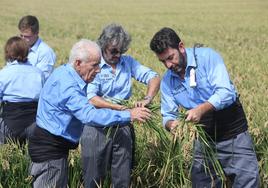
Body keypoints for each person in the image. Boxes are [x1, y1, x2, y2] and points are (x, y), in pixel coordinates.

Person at [28, 39, 151, 188]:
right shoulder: (69, 87)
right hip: (49, 152)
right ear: (78, 63)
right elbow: (90, 115)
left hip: (52, 147)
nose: (99, 70)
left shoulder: (64, 72)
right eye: (95, 65)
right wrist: (129, 114)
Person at [150, 27, 259, 187]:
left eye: (170, 58)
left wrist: (201, 109)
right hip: (203, 140)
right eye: (163, 61)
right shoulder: (168, 81)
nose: (168, 65)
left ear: (181, 47)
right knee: (202, 183)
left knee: (247, 182)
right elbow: (167, 115)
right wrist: (172, 125)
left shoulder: (208, 58)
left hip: (233, 135)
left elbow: (226, 92)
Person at [80, 24, 160, 188]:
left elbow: (154, 77)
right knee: (93, 176)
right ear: (103, 45)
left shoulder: (127, 62)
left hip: (122, 125)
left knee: (122, 176)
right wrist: (122, 109)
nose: (118, 55)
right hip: (97, 125)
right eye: (114, 51)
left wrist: (148, 98)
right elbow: (92, 98)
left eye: (121, 51)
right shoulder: (94, 65)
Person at [0, 36, 44, 145]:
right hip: (34, 124)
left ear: (7, 53)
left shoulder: (4, 74)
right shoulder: (39, 73)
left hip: (8, 125)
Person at [18, 15, 56, 80]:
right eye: (21, 35)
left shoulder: (46, 53)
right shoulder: (17, 47)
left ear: (36, 33)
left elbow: (40, 80)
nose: (23, 39)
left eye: (27, 36)